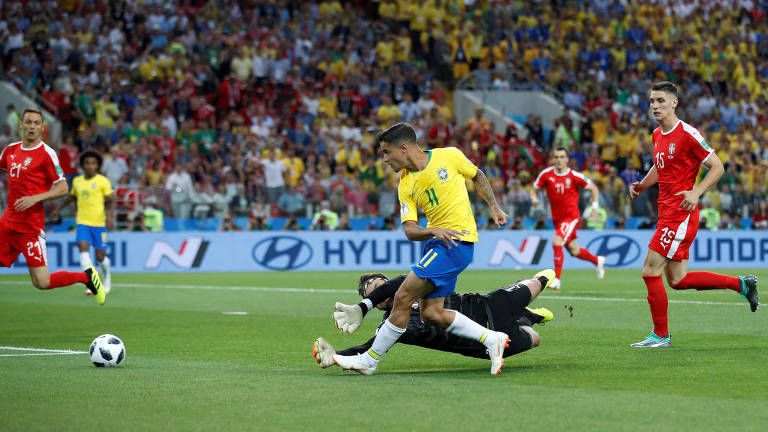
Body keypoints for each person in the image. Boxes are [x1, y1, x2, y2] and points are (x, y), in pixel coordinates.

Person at [332, 122, 510, 376]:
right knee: (432, 314)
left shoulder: (449, 156)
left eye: (386, 152)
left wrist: (494, 206)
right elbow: (410, 230)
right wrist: (432, 230)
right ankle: (493, 339)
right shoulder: (405, 184)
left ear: (403, 148)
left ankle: (369, 361)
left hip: (456, 242)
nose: (384, 159)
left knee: (403, 297)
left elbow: (478, 175)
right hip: (437, 243)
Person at [629, 81, 759, 348]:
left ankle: (661, 336)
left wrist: (697, 191)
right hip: (666, 212)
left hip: (681, 213)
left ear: (674, 102)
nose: (655, 106)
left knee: (650, 270)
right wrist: (643, 184)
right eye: (652, 101)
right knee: (677, 280)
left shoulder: (688, 133)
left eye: (661, 101)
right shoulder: (656, 135)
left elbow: (718, 166)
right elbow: (659, 165)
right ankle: (742, 285)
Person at [315, 269, 556, 371]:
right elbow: (366, 349)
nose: (380, 295)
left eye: (381, 287)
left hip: (486, 306)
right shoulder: (391, 326)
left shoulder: (415, 286)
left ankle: (535, 301)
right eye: (374, 296)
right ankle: (532, 317)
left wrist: (370, 300)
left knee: (537, 283)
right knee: (535, 339)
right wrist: (337, 356)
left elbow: (400, 281)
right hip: (479, 347)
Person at [0, 108, 105, 304]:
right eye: (28, 122)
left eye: (36, 123)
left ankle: (87, 277)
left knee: (42, 282)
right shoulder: (10, 150)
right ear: (20, 125)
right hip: (7, 222)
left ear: (42, 128)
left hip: (30, 227)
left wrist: (36, 198)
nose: (32, 126)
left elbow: (63, 187)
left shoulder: (47, 154)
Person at [530, 147, 606, 290]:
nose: (558, 160)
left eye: (561, 157)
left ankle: (557, 280)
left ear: (567, 160)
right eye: (556, 157)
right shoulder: (546, 175)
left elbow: (594, 188)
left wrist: (594, 208)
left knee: (557, 241)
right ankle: (598, 260)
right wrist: (534, 199)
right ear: (553, 159)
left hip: (571, 217)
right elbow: (534, 190)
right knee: (574, 251)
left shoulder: (574, 176)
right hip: (557, 220)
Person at [50, 150, 115, 293]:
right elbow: (71, 197)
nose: (90, 166)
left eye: (93, 163)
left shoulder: (102, 181)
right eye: (87, 163)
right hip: (83, 223)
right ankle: (92, 281)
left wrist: (109, 216)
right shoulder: (77, 181)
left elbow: (112, 199)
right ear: (82, 166)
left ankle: (107, 276)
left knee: (100, 257)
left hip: (99, 224)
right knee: (83, 248)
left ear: (97, 166)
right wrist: (58, 209)